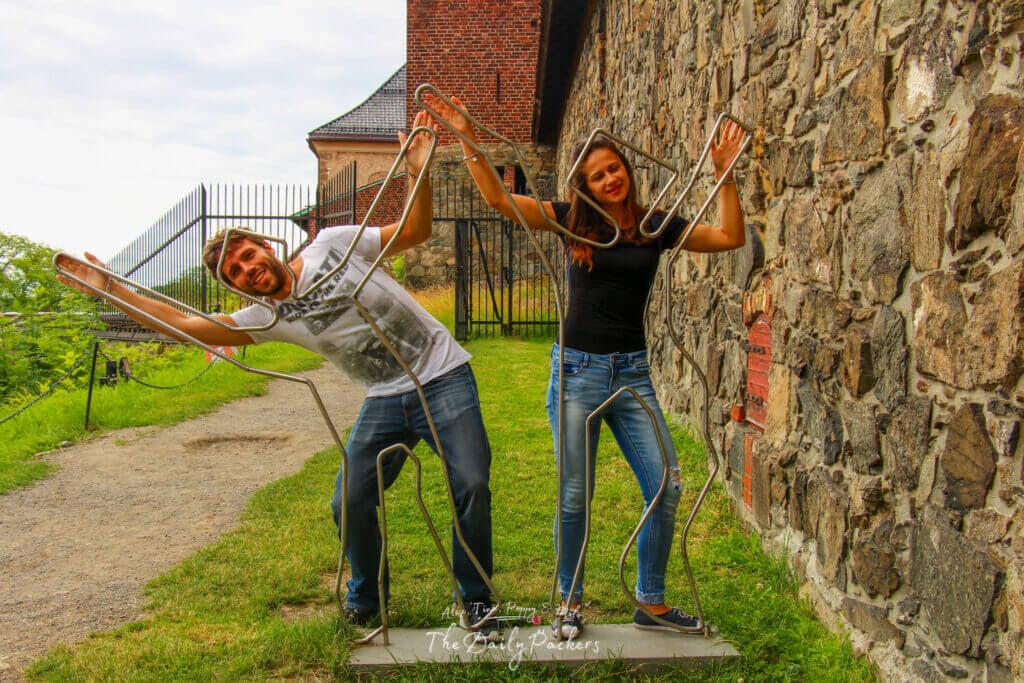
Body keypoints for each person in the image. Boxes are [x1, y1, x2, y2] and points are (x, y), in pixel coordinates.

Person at [56, 110, 501, 643]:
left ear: (267, 247)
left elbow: (415, 230)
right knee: (349, 502)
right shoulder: (265, 318)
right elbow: (184, 326)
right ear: (238, 286)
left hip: (442, 374)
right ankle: (366, 600)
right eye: (236, 273)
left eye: (248, 256)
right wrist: (111, 288)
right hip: (385, 397)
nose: (248, 269)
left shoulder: (331, 244)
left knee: (470, 484)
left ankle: (477, 600)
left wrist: (418, 173)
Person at [428, 93, 746, 639]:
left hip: (633, 374)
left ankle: (651, 602)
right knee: (575, 495)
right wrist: (467, 140)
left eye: (614, 169)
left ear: (627, 171)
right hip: (577, 373)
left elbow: (729, 237)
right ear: (586, 186)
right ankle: (569, 602)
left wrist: (725, 176)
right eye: (598, 176)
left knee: (666, 484)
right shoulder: (571, 221)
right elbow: (500, 200)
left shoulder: (654, 225)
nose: (609, 180)